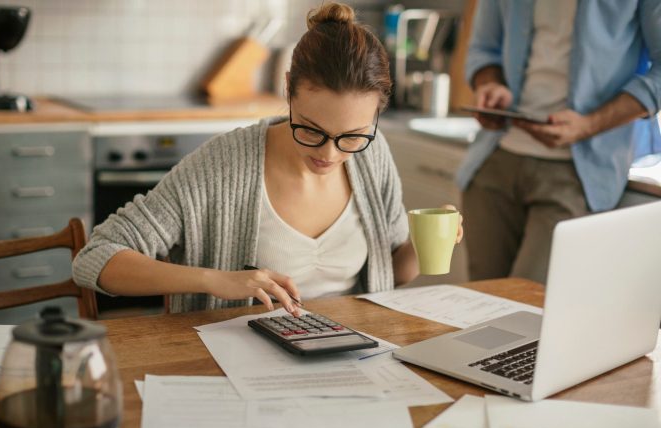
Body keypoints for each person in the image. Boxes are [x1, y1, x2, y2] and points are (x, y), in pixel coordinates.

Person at [73, 2, 463, 314]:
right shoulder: (225, 165)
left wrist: (423, 243)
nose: (330, 153)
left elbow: (393, 271)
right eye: (311, 129)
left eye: (352, 136)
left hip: (353, 352)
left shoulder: (372, 155)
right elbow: (96, 259)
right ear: (288, 89)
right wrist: (215, 280)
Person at [458, 0, 660, 283]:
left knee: (529, 313)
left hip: (577, 174)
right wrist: (488, 85)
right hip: (494, 160)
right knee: (477, 305)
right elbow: (483, 50)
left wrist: (588, 125)